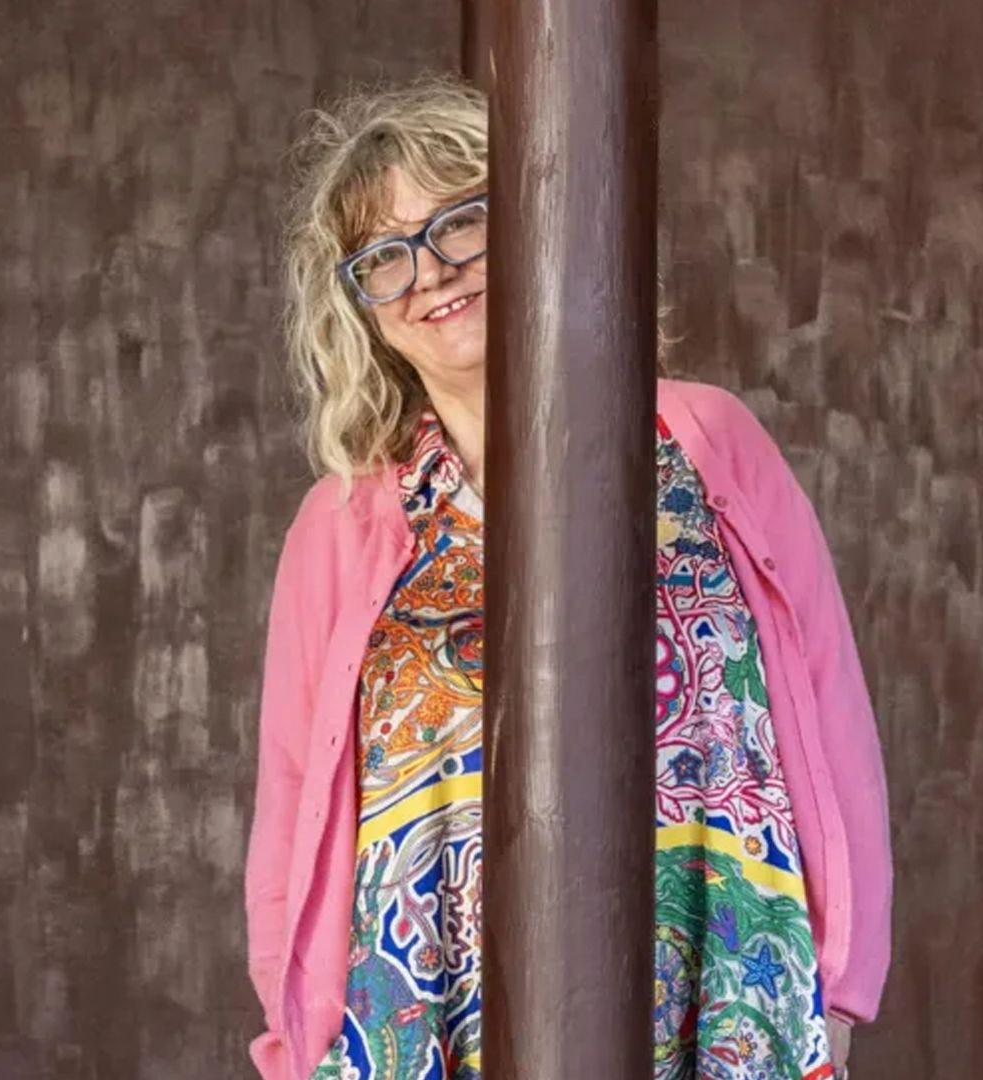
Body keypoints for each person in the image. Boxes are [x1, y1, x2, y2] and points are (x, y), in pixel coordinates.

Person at [244, 74, 891, 1080]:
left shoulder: (709, 442)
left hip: (727, 980)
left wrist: (838, 990)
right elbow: (292, 801)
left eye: (457, 222)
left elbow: (829, 706)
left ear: (527, 218)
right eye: (384, 256)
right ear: (362, 310)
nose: (429, 271)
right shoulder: (340, 526)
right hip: (427, 1012)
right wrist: (297, 1046)